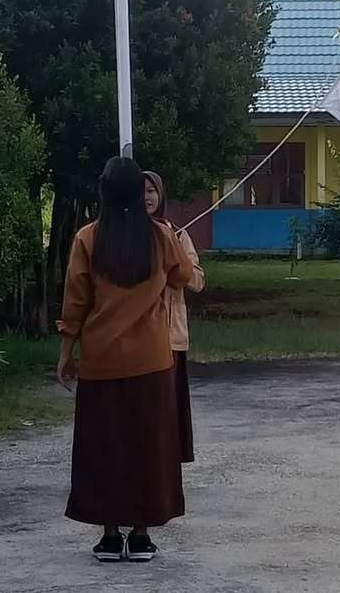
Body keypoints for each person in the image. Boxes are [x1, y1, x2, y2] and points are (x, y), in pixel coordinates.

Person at [57, 156, 194, 562]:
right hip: (152, 361)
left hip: (101, 361)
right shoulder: (160, 237)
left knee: (105, 447)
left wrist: (66, 353)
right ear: (140, 193)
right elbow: (183, 275)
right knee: (147, 447)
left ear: (103, 192)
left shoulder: (87, 237)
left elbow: (76, 301)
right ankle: (141, 535)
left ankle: (109, 535)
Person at [143, 171, 205, 463]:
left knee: (168, 403)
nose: (147, 198)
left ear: (162, 195)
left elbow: (196, 280)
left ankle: (167, 457)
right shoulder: (125, 236)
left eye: (151, 191)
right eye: (140, 191)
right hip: (136, 336)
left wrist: (173, 259)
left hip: (169, 336)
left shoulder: (178, 233)